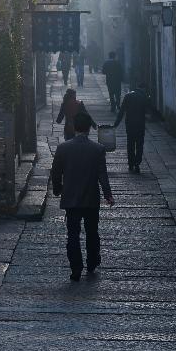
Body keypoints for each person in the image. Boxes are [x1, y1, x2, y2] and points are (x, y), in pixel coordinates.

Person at [51, 110, 115, 281]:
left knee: (72, 234)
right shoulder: (98, 149)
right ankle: (92, 262)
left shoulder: (63, 148)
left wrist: (58, 189)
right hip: (91, 198)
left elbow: (55, 173)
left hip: (71, 198)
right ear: (88, 129)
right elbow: (102, 174)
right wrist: (108, 195)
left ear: (74, 127)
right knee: (92, 232)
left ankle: (76, 268)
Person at [114, 83, 149, 173]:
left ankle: (130, 163)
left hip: (130, 125)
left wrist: (116, 124)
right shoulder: (144, 97)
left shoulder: (128, 96)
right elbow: (148, 111)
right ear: (143, 88)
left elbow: (121, 111)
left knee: (130, 144)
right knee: (139, 145)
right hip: (140, 125)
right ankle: (137, 163)